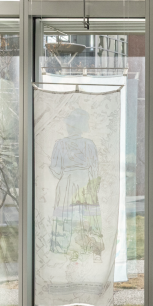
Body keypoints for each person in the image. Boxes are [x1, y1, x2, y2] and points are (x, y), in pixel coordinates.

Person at [48, 108, 104, 258]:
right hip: (81, 182)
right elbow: (94, 168)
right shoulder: (87, 144)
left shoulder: (61, 144)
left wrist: (66, 174)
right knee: (78, 213)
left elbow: (55, 168)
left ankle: (70, 247)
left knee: (72, 214)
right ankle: (80, 247)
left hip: (69, 182)